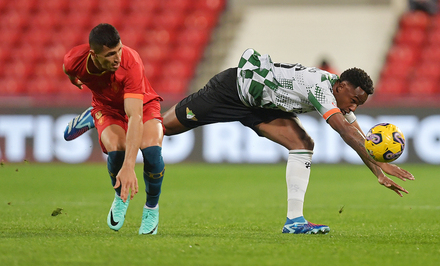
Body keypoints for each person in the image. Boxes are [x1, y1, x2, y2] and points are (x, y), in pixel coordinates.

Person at [65, 48, 415, 234]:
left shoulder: (338, 93)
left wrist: (378, 170)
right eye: (352, 100)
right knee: (164, 128)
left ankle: (295, 221)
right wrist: (378, 163)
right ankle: (102, 116)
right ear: (339, 86)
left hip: (259, 106)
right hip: (231, 90)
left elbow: (358, 135)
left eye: (358, 105)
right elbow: (347, 133)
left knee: (302, 144)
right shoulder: (323, 88)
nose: (353, 107)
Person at [63, 23, 166, 235]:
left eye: (119, 49)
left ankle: (151, 208)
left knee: (152, 152)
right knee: (117, 150)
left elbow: (135, 116)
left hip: (142, 106)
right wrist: (74, 80)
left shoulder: (131, 62)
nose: (117, 57)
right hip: (107, 108)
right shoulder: (76, 60)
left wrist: (130, 166)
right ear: (94, 54)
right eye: (110, 54)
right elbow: (68, 69)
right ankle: (120, 196)